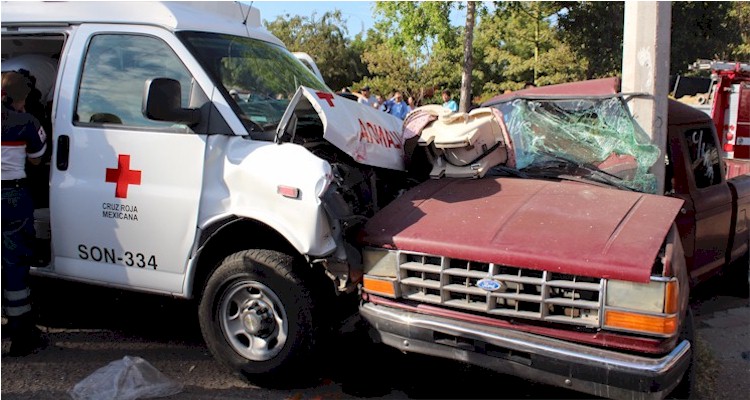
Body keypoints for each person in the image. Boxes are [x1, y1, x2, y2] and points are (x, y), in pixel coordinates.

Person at [1, 71, 49, 356]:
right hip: (12, 197)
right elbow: (37, 158)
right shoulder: (26, 122)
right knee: (14, 263)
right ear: (23, 99)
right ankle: (22, 336)